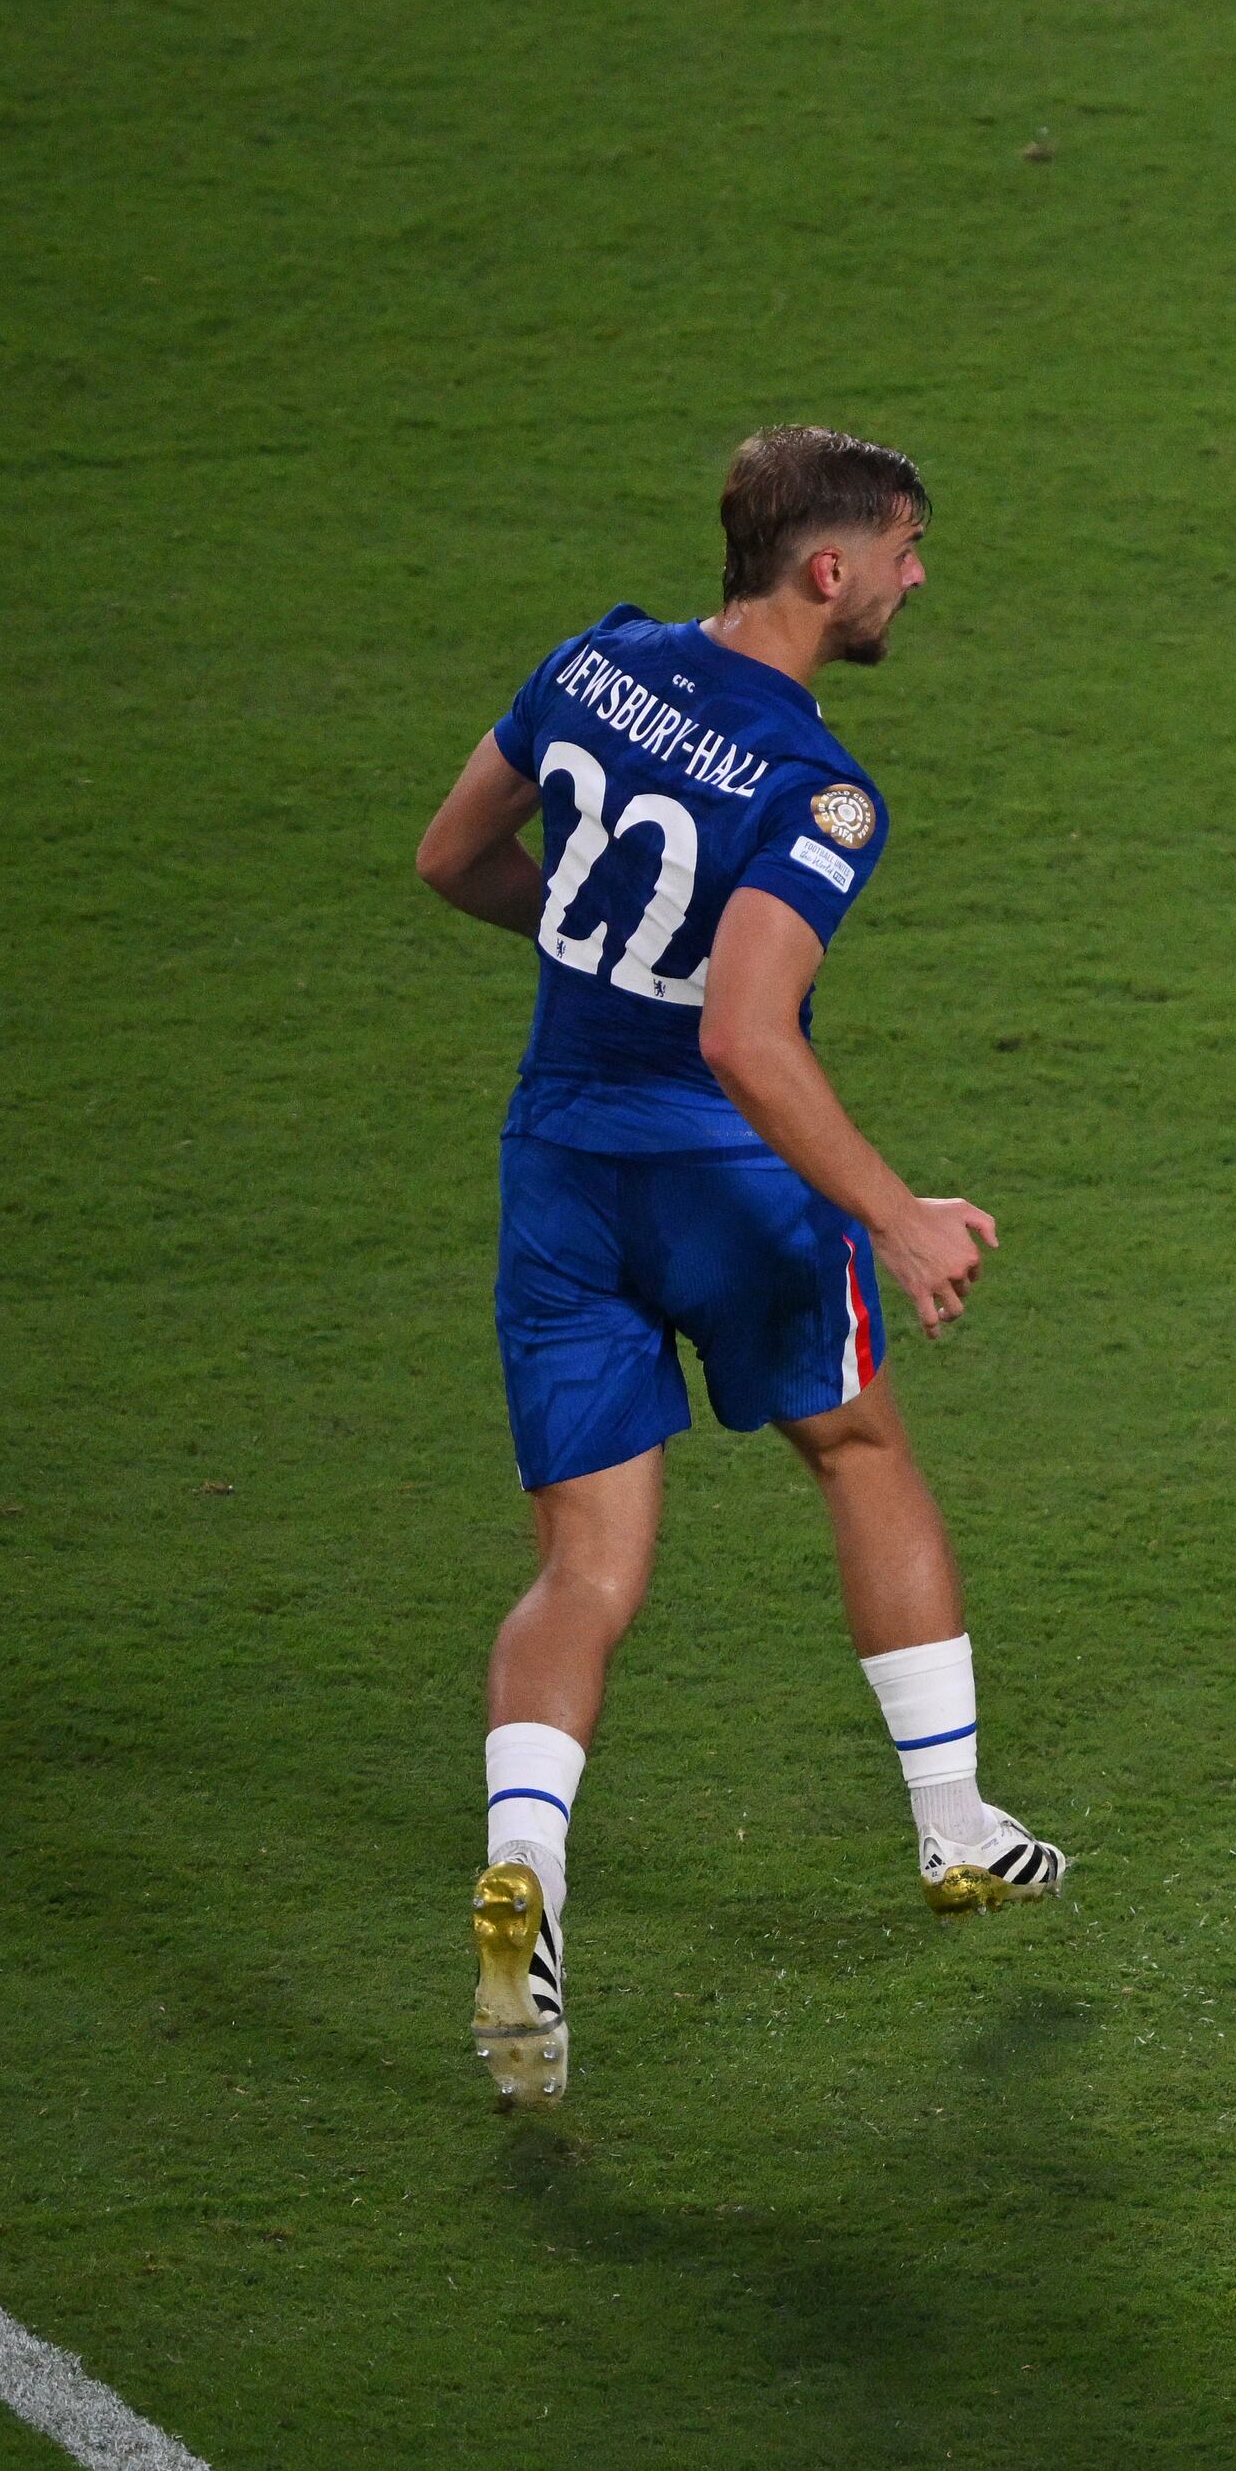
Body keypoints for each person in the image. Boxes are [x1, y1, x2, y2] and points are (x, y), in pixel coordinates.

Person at [412, 428, 1064, 2106]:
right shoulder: (816, 785)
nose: (920, 574)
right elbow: (745, 1034)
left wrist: (596, 944)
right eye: (906, 547)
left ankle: (525, 1880)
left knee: (584, 1569)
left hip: (560, 1163)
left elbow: (450, 859)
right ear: (824, 568)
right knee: (857, 1444)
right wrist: (900, 1212)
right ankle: (956, 1830)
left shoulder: (593, 659)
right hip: (722, 1179)